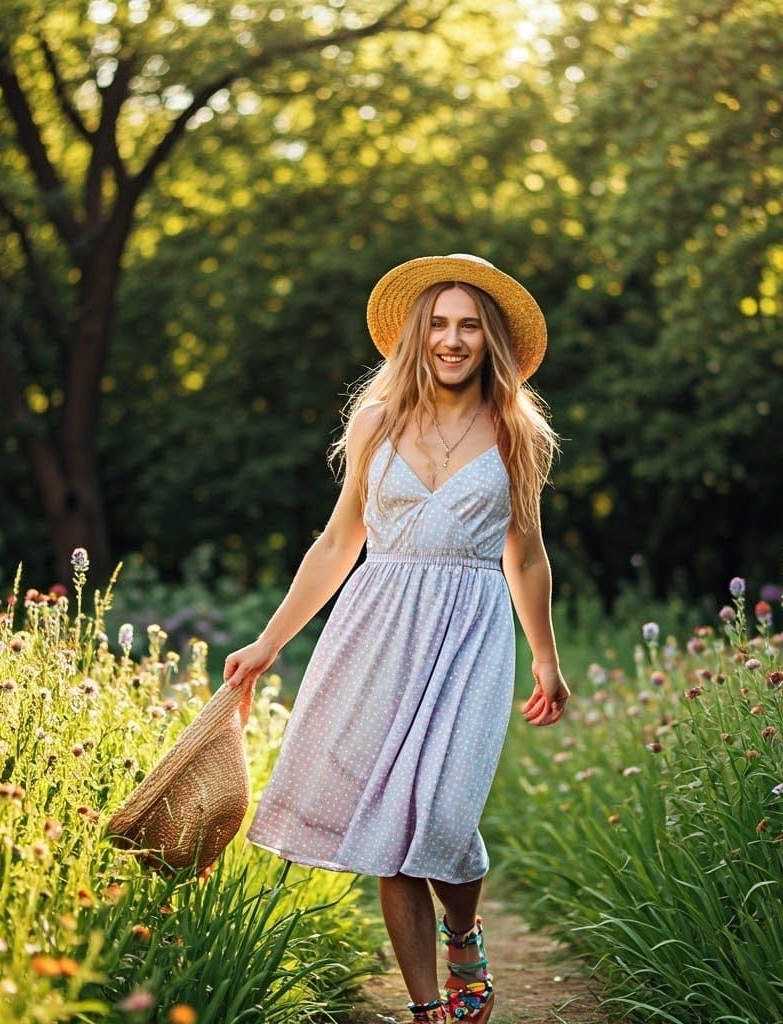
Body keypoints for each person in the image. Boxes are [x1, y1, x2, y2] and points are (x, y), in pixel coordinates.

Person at [222, 253, 571, 1023]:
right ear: (418, 334)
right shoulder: (377, 419)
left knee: (444, 816)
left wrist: (545, 655)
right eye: (439, 324)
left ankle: (463, 931)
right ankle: (427, 1011)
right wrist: (270, 642)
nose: (451, 340)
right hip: (377, 627)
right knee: (389, 824)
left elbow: (527, 551)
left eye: (468, 326)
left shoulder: (518, 430)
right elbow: (338, 542)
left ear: (491, 341)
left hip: (472, 633)